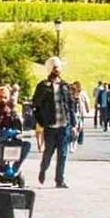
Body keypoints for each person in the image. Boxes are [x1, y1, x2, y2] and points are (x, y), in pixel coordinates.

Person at [31, 57, 77, 188]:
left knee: (62, 154)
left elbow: (70, 105)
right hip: (50, 126)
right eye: (56, 67)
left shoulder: (65, 86)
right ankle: (43, 170)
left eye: (59, 67)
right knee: (48, 153)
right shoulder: (43, 86)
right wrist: (41, 121)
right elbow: (36, 106)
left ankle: (59, 180)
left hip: (64, 126)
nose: (58, 70)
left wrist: (73, 125)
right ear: (51, 69)